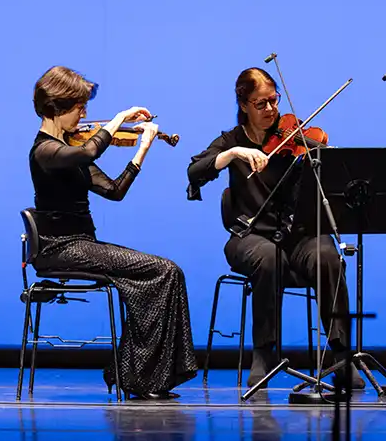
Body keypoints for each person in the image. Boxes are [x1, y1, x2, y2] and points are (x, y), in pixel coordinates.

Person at [187, 67, 363, 389]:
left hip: (299, 235)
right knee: (268, 258)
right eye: (260, 104)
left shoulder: (293, 136)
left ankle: (340, 353)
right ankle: (264, 352)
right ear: (244, 105)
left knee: (328, 257)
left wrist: (325, 158)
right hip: (249, 237)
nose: (270, 109)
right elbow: (195, 171)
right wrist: (233, 154)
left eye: (273, 100)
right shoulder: (231, 141)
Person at [28, 66, 197, 400]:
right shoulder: (46, 151)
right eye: (80, 108)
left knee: (166, 272)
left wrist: (142, 150)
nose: (84, 115)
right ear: (57, 107)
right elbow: (90, 151)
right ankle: (138, 377)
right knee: (164, 270)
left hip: (82, 246)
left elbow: (114, 191)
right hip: (60, 248)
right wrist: (119, 118)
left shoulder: (68, 150)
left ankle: (137, 375)